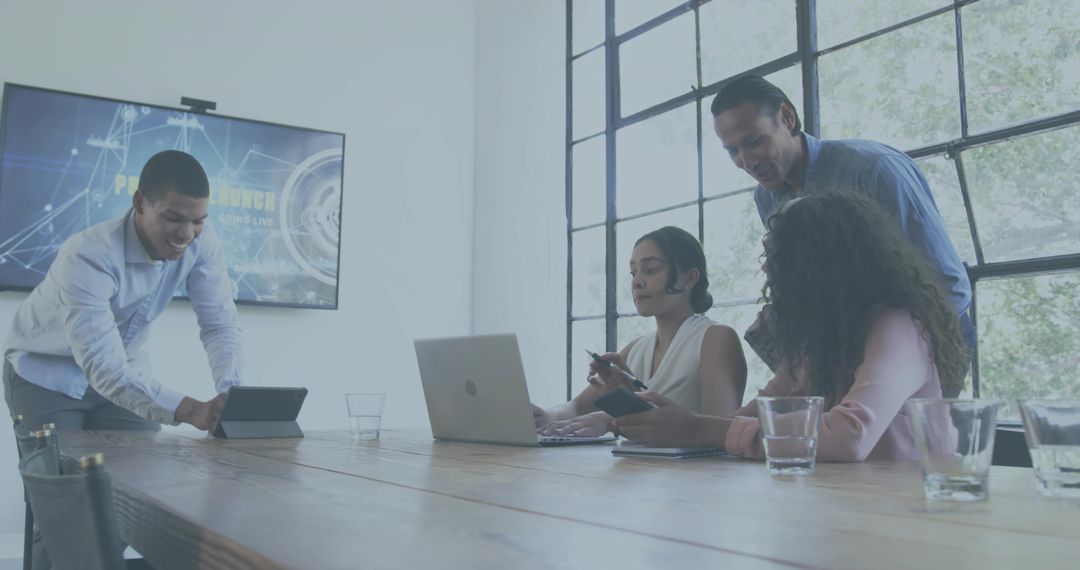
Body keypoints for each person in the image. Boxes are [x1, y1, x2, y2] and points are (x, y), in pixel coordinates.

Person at [607, 193, 969, 461]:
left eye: (779, 256)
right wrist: (672, 418)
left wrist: (700, 428)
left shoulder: (897, 326)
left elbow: (849, 436)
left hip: (914, 518)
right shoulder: (820, 339)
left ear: (823, 265)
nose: (767, 270)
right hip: (847, 508)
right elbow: (758, 412)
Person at [710, 75, 974, 380]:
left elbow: (948, 284)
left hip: (926, 338)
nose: (748, 161)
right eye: (732, 151)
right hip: (845, 351)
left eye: (754, 141)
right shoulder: (766, 198)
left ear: (786, 117)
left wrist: (895, 353)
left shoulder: (874, 169)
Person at [3, 149, 243, 432]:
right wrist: (191, 410)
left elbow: (219, 325)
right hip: (48, 375)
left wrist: (233, 399)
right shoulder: (87, 256)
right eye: (173, 218)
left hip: (127, 371)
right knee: (64, 475)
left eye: (197, 221)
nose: (186, 234)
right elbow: (102, 364)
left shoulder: (202, 241)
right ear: (140, 202)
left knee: (144, 474)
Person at [533, 226, 747, 437]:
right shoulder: (634, 349)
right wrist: (548, 415)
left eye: (651, 270)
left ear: (689, 278)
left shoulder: (716, 339)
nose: (636, 282)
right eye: (633, 272)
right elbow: (579, 406)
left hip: (691, 472)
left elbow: (722, 429)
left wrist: (611, 420)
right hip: (636, 469)